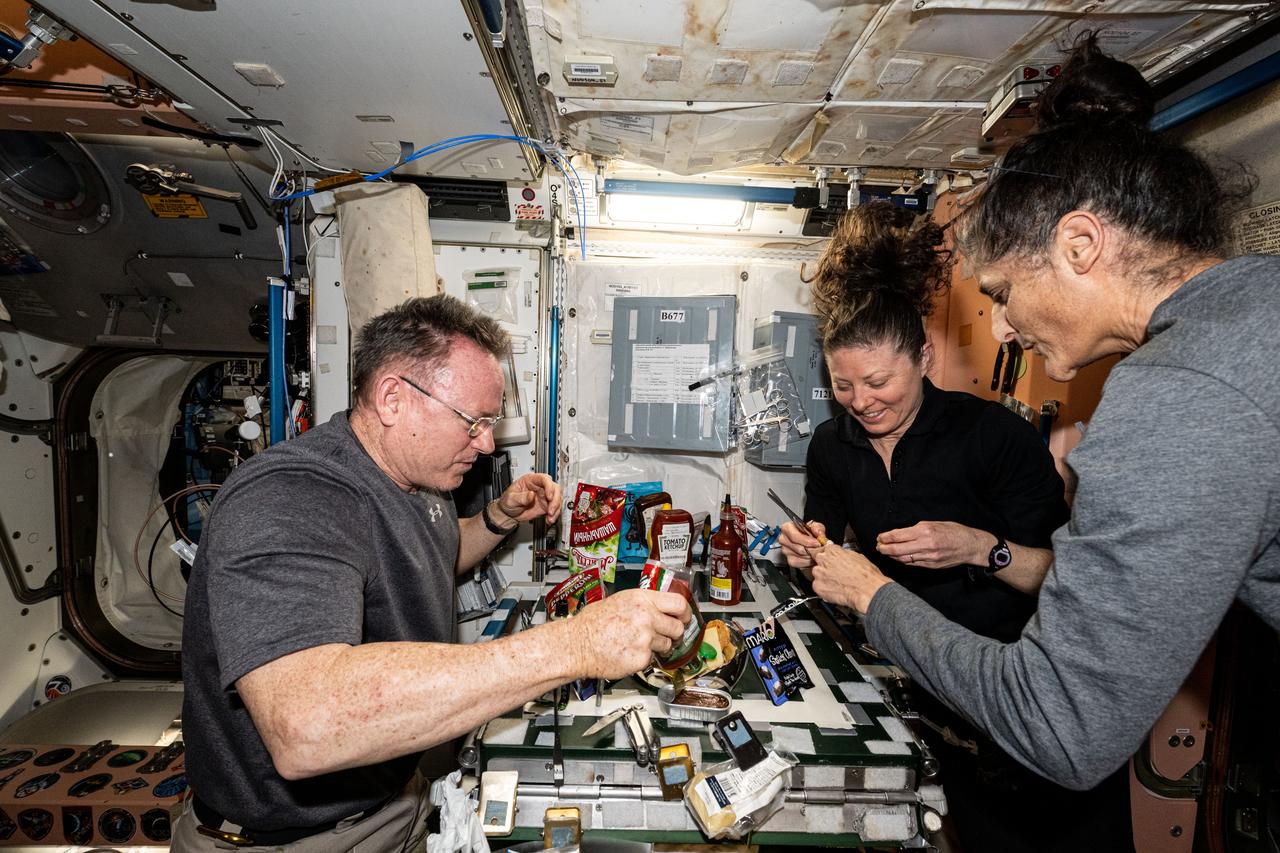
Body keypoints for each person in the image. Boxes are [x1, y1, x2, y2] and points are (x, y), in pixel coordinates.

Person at [805, 31, 1280, 798]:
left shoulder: (1178, 391)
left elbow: (1057, 724)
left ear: (1081, 244)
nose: (999, 327)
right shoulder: (1259, 299)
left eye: (1001, 292)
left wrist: (873, 597)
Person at [173, 294, 691, 851]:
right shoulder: (292, 496)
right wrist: (577, 644)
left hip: (399, 798)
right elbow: (307, 726)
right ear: (393, 398)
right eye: (474, 422)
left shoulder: (420, 480)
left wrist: (498, 516)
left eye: (491, 423)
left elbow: (432, 556)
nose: (486, 444)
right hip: (292, 839)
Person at [779, 200, 1132, 851]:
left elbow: (1072, 582)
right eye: (843, 386)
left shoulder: (993, 436)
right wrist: (806, 553)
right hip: (935, 711)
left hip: (1030, 716)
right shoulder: (832, 445)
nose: (862, 402)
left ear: (922, 357)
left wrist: (980, 548)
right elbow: (821, 548)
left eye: (878, 381)